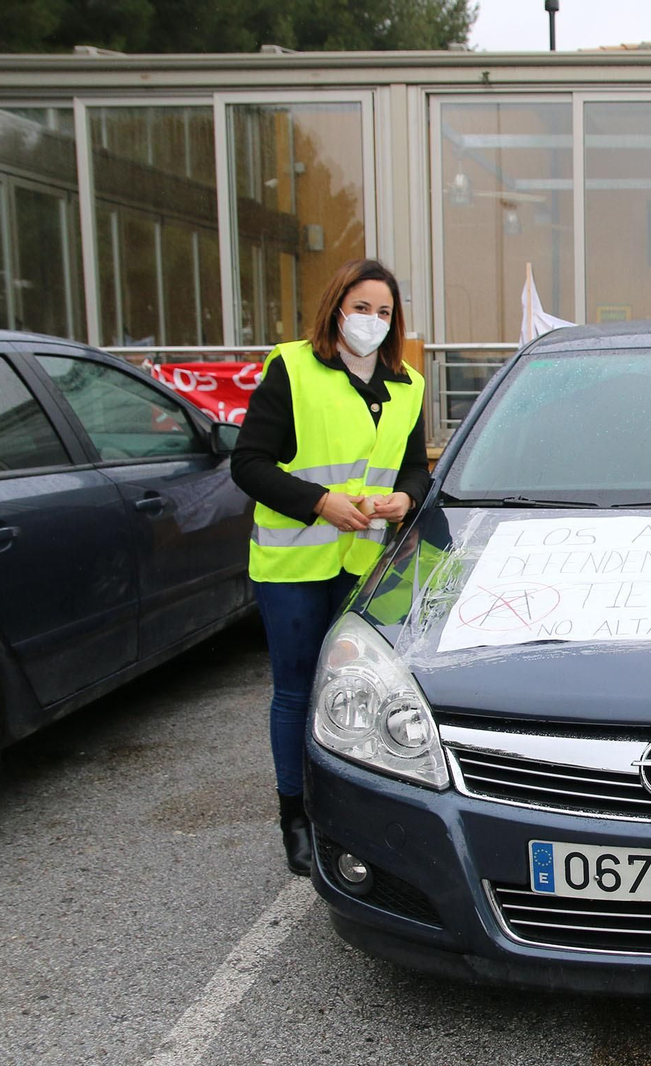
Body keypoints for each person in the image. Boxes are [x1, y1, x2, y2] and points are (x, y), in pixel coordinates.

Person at [232, 258, 429, 876]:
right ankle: (295, 817)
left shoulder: (407, 385)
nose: (372, 321)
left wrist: (408, 498)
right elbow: (250, 463)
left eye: (384, 312)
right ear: (337, 308)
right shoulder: (293, 368)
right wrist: (318, 502)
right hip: (293, 565)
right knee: (295, 691)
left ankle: (349, 811)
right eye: (362, 307)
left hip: (363, 564)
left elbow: (413, 469)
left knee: (358, 693)